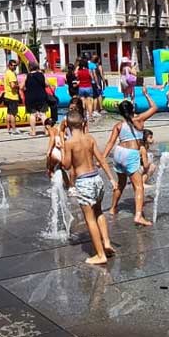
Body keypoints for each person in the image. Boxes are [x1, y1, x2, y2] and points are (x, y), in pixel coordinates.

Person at [57, 111, 116, 265]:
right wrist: (111, 179)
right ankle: (107, 243)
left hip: (84, 182)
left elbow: (67, 165)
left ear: (68, 126)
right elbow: (101, 159)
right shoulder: (89, 138)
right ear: (83, 124)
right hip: (97, 179)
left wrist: (62, 147)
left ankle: (100, 254)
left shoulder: (69, 142)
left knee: (90, 220)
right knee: (99, 212)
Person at [103, 88, 157, 227]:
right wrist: (146, 94)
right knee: (139, 187)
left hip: (118, 153)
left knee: (121, 183)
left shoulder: (119, 125)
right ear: (133, 109)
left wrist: (102, 158)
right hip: (131, 154)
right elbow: (154, 107)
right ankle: (138, 216)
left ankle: (113, 208)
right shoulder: (139, 119)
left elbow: (110, 143)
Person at [22, 63, 50, 136]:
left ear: (29, 68)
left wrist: (27, 88)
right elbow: (47, 84)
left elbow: (21, 87)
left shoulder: (27, 76)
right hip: (41, 96)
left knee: (32, 114)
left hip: (30, 97)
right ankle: (46, 131)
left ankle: (33, 131)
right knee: (43, 114)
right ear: (37, 67)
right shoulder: (41, 75)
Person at [2, 60, 21, 135]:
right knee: (13, 114)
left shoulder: (6, 73)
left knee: (9, 113)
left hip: (7, 95)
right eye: (13, 65)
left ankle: (8, 129)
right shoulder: (11, 74)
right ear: (9, 65)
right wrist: (19, 86)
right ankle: (14, 129)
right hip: (12, 96)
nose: (14, 67)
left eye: (15, 65)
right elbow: (13, 86)